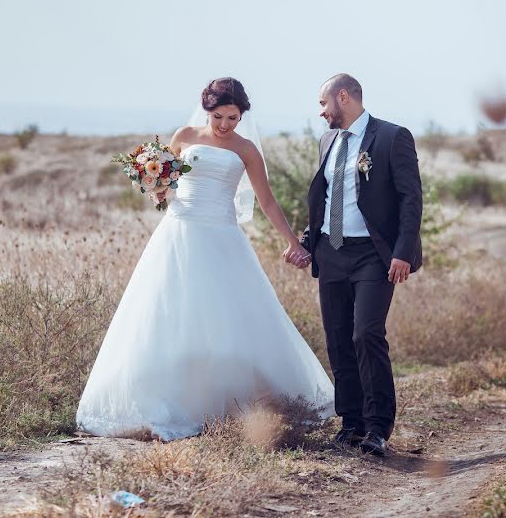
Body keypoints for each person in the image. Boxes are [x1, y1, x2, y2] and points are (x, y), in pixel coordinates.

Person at [76, 77, 333, 440]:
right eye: (219, 117)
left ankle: (229, 403)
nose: (226, 125)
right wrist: (154, 185)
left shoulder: (246, 150)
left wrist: (294, 242)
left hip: (223, 237)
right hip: (179, 232)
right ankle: (168, 398)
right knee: (168, 315)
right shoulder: (184, 136)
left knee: (227, 319)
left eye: (233, 118)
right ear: (207, 110)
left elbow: (267, 201)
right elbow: (163, 191)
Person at [291, 73, 423, 456]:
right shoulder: (327, 140)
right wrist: (305, 242)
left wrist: (402, 251)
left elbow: (411, 200)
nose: (320, 113)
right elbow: (327, 201)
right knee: (337, 338)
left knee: (365, 333)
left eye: (323, 104)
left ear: (343, 97)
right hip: (331, 253)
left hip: (374, 256)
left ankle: (378, 427)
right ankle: (351, 423)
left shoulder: (392, 137)